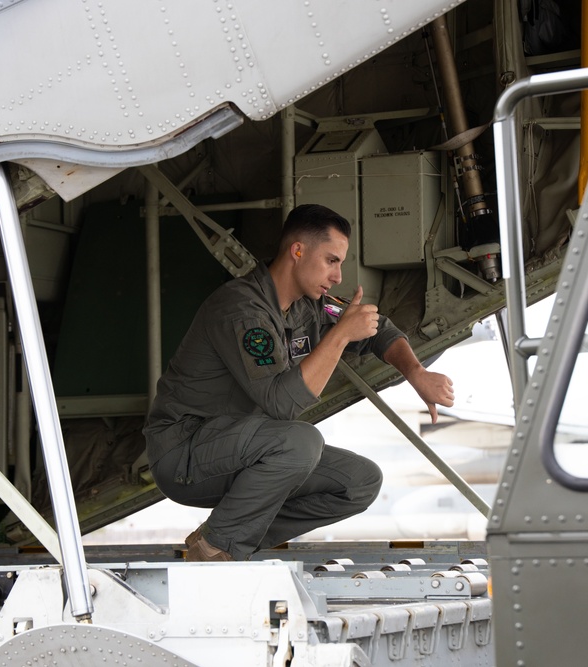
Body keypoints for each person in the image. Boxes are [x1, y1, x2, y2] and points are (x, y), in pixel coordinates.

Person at [143, 203, 455, 561]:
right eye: (331, 260)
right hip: (185, 453)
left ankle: (226, 543)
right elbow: (282, 404)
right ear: (298, 251)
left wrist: (416, 373)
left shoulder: (310, 306)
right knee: (301, 441)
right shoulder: (242, 311)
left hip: (241, 448)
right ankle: (218, 547)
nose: (338, 276)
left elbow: (378, 328)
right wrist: (339, 337)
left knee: (359, 482)